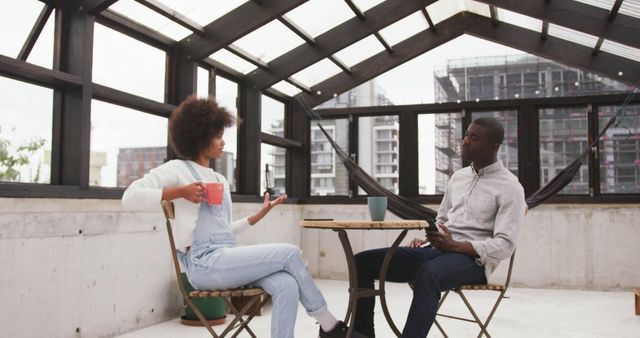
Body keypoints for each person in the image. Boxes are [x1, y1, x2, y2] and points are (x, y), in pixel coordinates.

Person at [122, 96, 354, 338]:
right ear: (200, 137)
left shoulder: (220, 179)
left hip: (226, 258)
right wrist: (179, 192)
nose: (223, 142)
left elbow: (223, 232)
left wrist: (256, 217)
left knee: (287, 284)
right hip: (202, 265)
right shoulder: (177, 170)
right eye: (218, 136)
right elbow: (130, 197)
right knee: (290, 253)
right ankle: (330, 327)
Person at [352, 117, 527, 338]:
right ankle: (362, 334)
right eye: (466, 135)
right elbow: (442, 220)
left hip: (473, 262)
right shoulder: (458, 178)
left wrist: (455, 245)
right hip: (436, 251)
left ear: (494, 147)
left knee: (428, 274)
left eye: (474, 138)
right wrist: (428, 239)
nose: (465, 141)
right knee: (361, 262)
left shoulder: (511, 187)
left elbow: (505, 245)